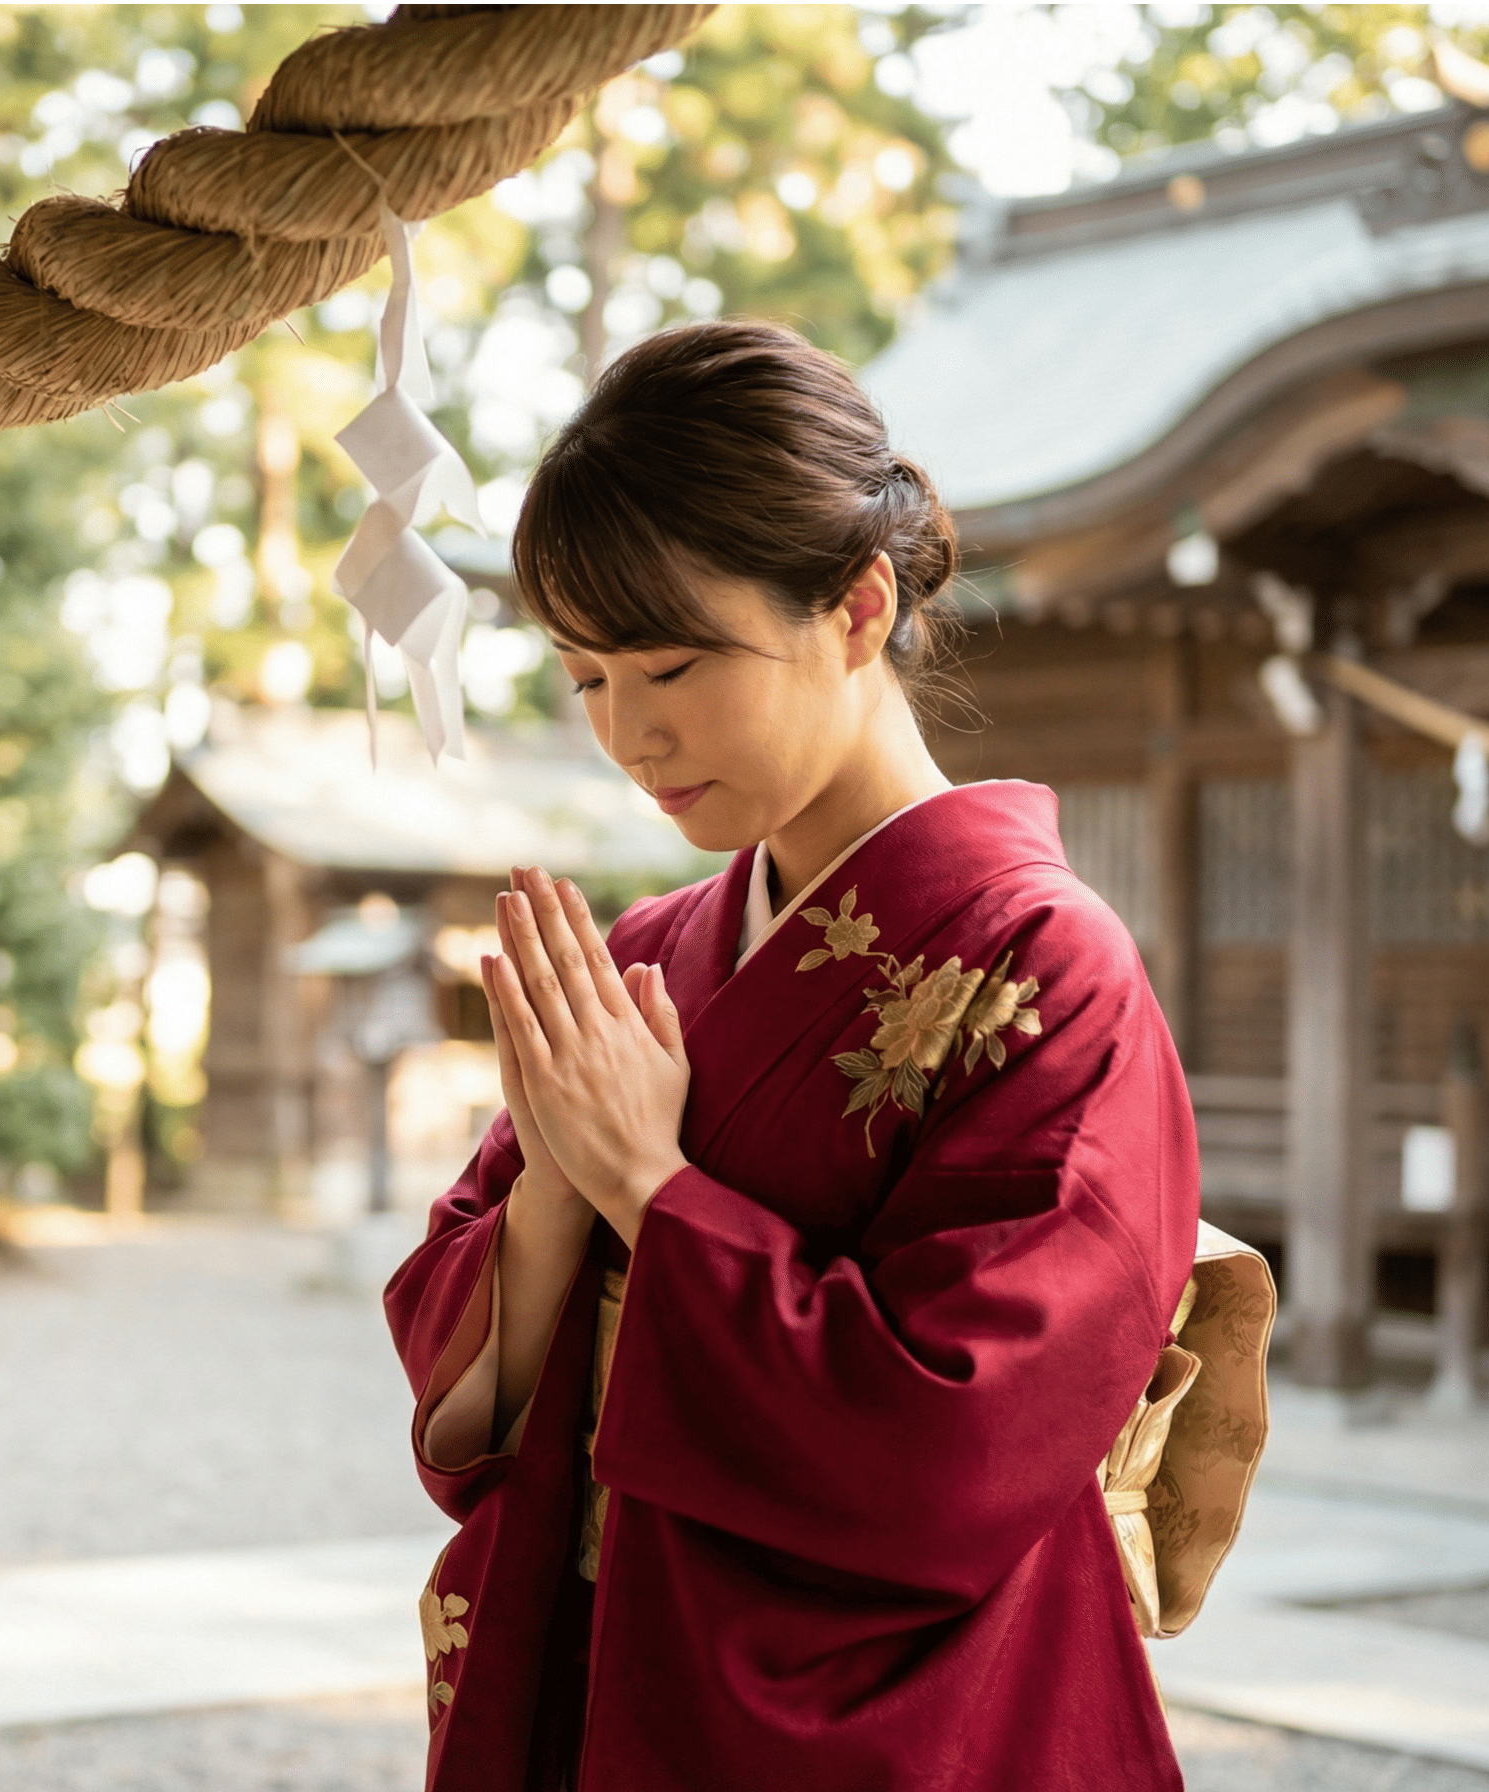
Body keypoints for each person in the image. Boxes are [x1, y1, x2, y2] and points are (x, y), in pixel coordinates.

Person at [385, 319, 1199, 1790]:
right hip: (607, 1656)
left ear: (859, 608)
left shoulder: (1046, 970)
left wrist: (649, 1182)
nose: (629, 734)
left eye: (675, 665)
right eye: (586, 680)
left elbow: (960, 1438)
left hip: (922, 1711)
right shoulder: (644, 956)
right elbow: (464, 1408)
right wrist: (560, 1195)